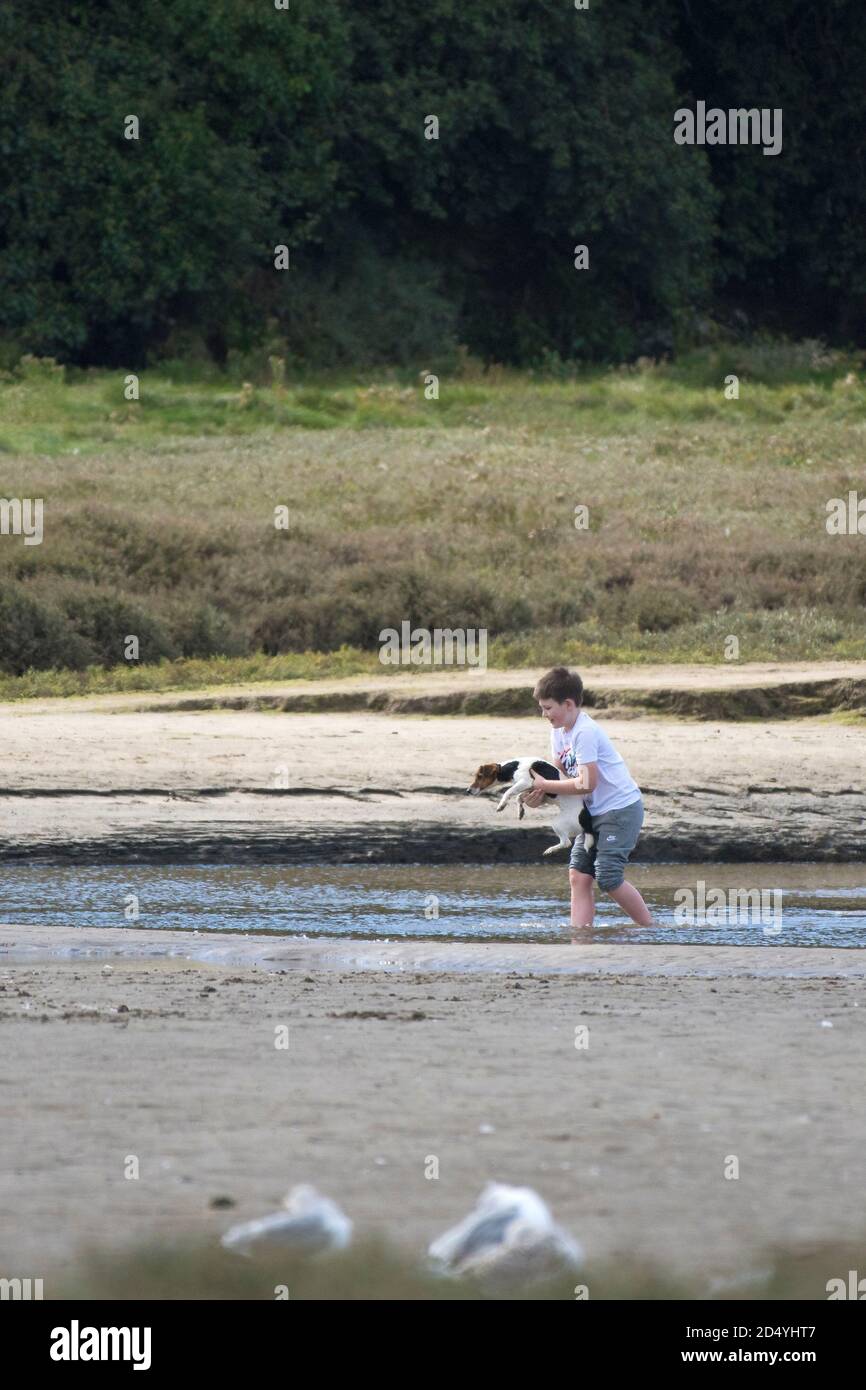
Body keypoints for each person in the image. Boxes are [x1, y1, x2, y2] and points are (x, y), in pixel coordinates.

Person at [525, 666, 653, 929]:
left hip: (619, 810)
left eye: (548, 708)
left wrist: (545, 783)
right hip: (590, 813)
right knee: (579, 876)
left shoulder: (584, 732)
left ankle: (650, 930)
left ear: (568, 704)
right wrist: (537, 796)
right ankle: (581, 937)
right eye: (542, 708)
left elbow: (585, 783)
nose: (543, 714)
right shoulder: (558, 731)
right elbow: (561, 782)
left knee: (608, 876)